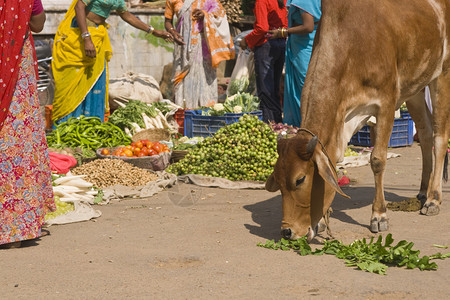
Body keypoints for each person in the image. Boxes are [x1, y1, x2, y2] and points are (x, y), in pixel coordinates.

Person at [51, 0, 172, 125]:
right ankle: (65, 127)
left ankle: (92, 126)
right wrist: (86, 37)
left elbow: (126, 14)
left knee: (95, 82)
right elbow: (79, 6)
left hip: (97, 36)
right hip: (79, 36)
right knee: (72, 85)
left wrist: (153, 31)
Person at [0, 0, 56, 249]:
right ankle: (17, 228)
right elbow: (37, 23)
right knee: (18, 146)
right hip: (15, 70)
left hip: (14, 70)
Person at [164, 0, 235, 109]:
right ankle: (185, 111)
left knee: (204, 79)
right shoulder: (172, 1)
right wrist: (173, 32)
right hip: (182, 46)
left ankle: (206, 111)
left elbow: (219, 12)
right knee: (183, 80)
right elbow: (167, 21)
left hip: (203, 47)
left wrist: (205, 14)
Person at [269, 0, 321, 127]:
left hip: (304, 47)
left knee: (305, 86)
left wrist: (283, 32)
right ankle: (301, 125)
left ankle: (308, 126)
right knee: (301, 85)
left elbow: (308, 27)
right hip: (302, 44)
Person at [240, 0, 288, 124]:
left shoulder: (262, 1)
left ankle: (269, 123)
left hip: (266, 45)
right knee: (275, 87)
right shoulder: (282, 2)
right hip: (280, 43)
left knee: (265, 89)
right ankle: (278, 122)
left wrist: (247, 40)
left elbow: (262, 28)